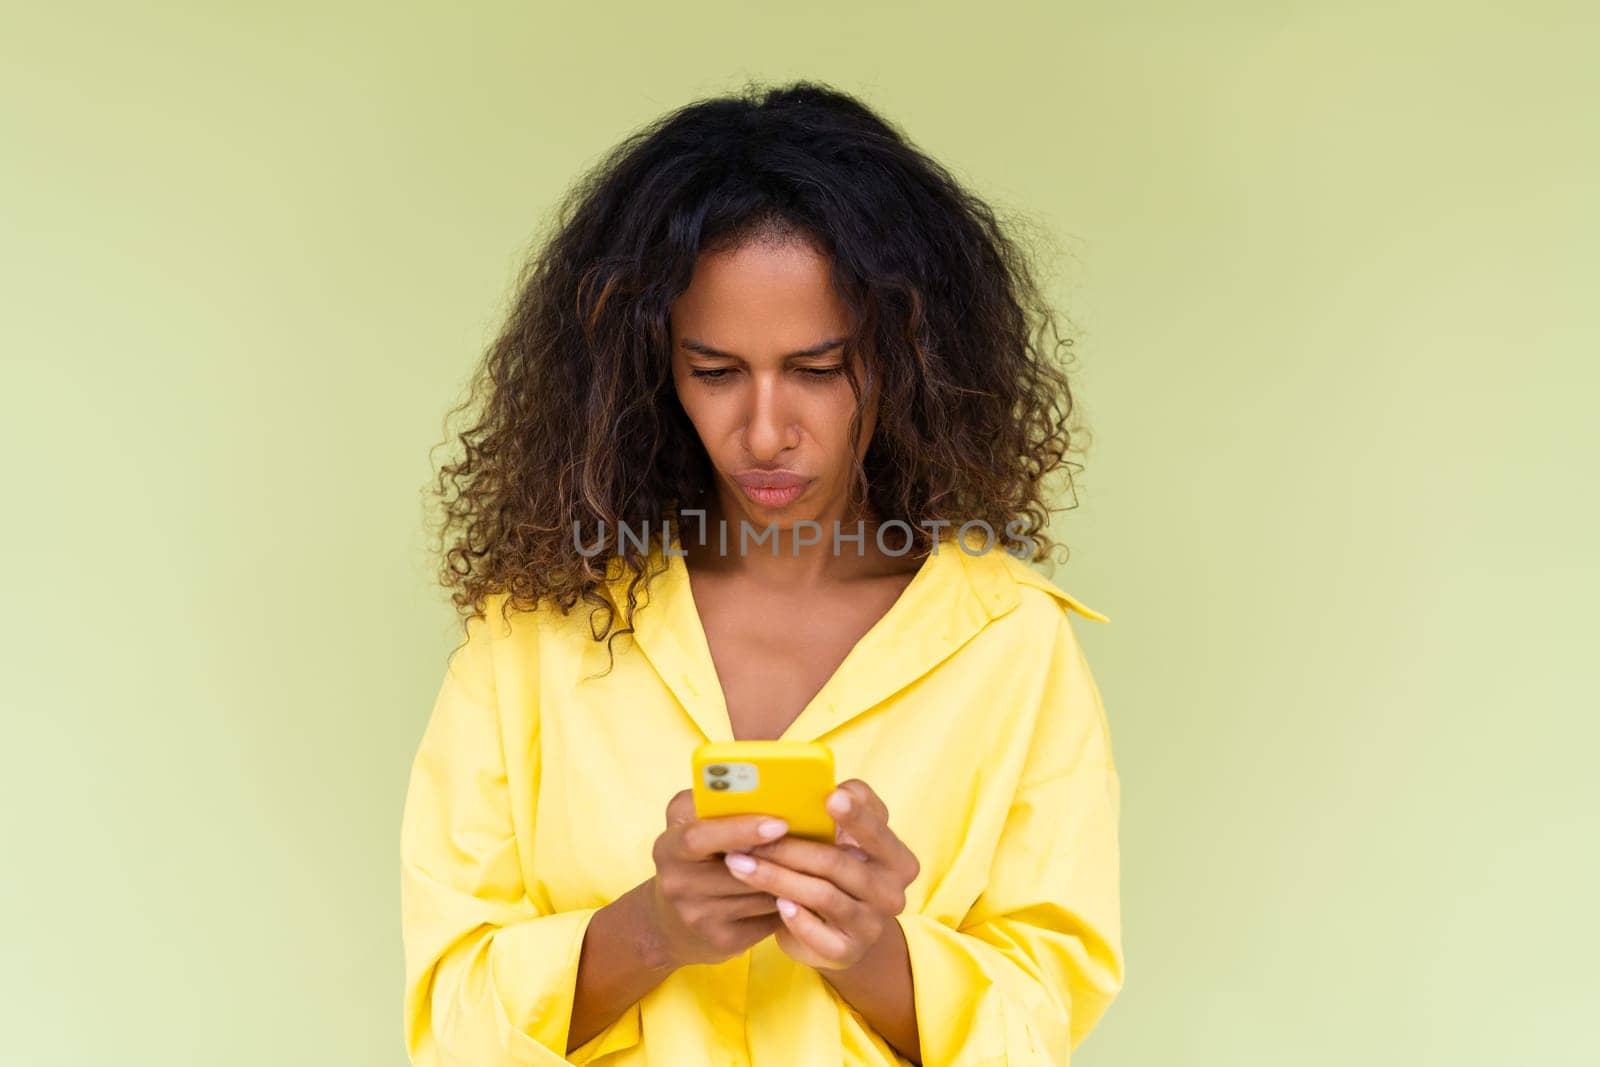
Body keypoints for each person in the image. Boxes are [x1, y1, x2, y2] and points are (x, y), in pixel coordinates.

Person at [401, 79, 1125, 1066]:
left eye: (819, 368)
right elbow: (447, 1020)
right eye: (715, 369)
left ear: (906, 358)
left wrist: (871, 951)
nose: (766, 430)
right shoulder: (534, 629)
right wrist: (651, 930)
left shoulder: (1011, 644)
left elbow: (1042, 1018)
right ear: (649, 367)